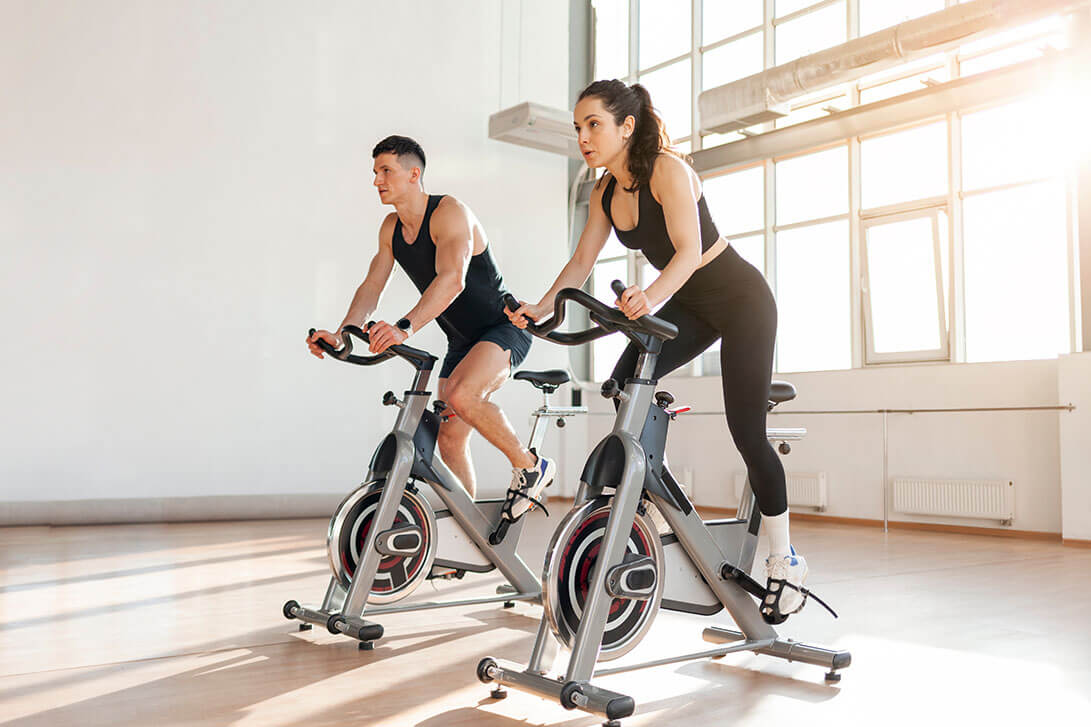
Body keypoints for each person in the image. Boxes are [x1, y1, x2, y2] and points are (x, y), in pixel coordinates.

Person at [507, 81, 807, 621]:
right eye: (578, 127)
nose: (583, 136)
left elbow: (690, 252)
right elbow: (580, 265)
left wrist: (649, 296)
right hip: (687, 307)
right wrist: (541, 307)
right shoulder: (604, 191)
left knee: (747, 434)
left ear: (626, 126)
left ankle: (785, 562)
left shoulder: (668, 169)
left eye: (593, 124)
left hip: (739, 301)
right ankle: (663, 503)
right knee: (623, 387)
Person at [309, 135, 554, 522]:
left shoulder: (448, 212)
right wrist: (343, 334)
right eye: (375, 173)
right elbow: (372, 284)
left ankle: (530, 466)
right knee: (451, 438)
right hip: (460, 340)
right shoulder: (391, 228)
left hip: (502, 327)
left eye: (386, 171)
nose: (377, 181)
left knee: (461, 394)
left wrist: (404, 327)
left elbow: (453, 279)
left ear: (414, 174)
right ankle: (470, 532)